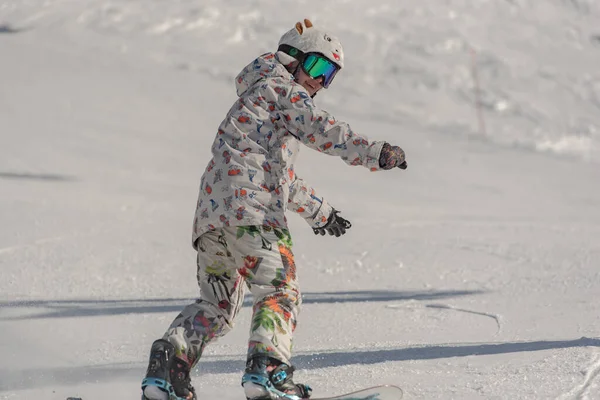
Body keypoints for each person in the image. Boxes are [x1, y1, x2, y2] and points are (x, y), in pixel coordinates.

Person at [141, 18, 407, 400]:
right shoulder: (282, 89)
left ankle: (169, 365)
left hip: (214, 221)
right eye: (317, 67)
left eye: (329, 75)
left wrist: (321, 212)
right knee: (280, 288)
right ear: (291, 57)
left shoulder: (255, 100)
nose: (319, 81)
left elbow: (280, 178)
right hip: (254, 213)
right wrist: (376, 152)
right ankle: (267, 370)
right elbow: (322, 129)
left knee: (216, 306)